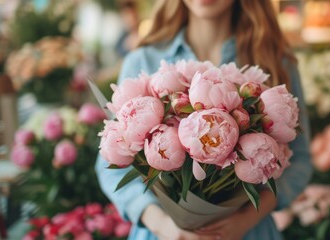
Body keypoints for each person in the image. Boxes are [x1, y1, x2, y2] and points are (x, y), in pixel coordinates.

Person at [95, 0, 312, 239]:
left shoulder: (275, 61)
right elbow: (111, 164)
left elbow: (300, 160)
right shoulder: (142, 61)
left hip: (249, 231)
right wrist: (162, 224)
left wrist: (245, 220)